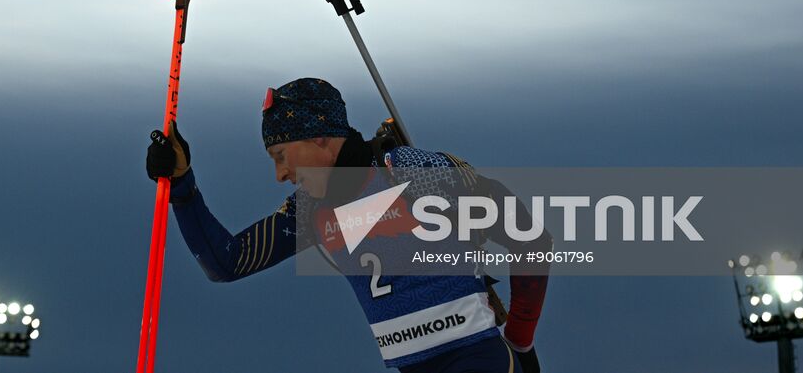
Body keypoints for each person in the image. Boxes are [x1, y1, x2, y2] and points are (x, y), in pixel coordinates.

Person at [146, 77, 550, 372]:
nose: (280, 174)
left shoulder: (413, 172)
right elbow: (227, 262)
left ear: (320, 137)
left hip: (477, 361)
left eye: (281, 154)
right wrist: (182, 184)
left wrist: (520, 340)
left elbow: (530, 237)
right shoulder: (311, 210)